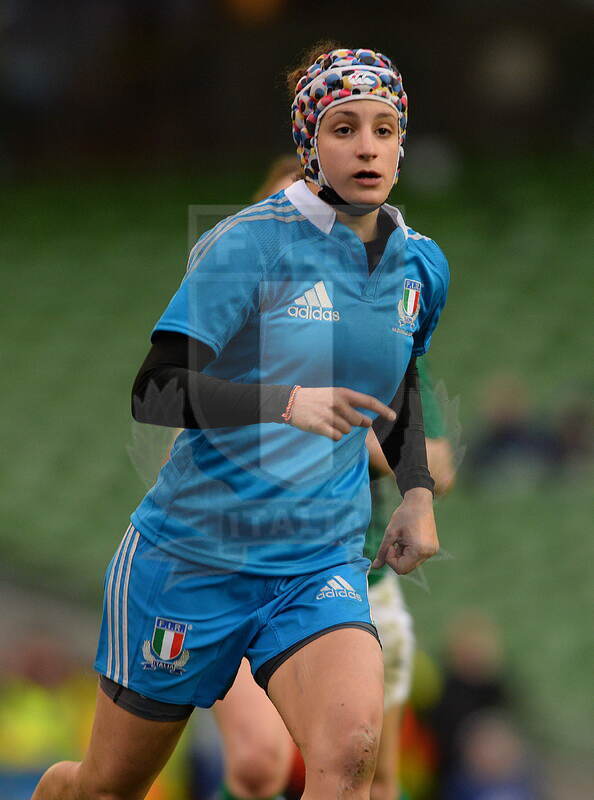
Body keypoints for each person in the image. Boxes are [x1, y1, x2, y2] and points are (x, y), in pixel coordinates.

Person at [33, 42, 449, 800]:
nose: (367, 147)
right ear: (309, 143)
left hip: (317, 563)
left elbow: (400, 386)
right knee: (108, 786)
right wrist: (286, 403)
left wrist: (415, 491)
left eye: (384, 129)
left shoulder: (421, 265)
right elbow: (155, 391)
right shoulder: (249, 244)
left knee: (350, 755)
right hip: (194, 558)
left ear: (401, 144)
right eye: (344, 128)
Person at [209, 160, 455, 800]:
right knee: (258, 766)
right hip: (241, 568)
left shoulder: (382, 336)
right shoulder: (233, 328)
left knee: (371, 774)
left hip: (355, 578)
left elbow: (437, 464)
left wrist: (357, 434)